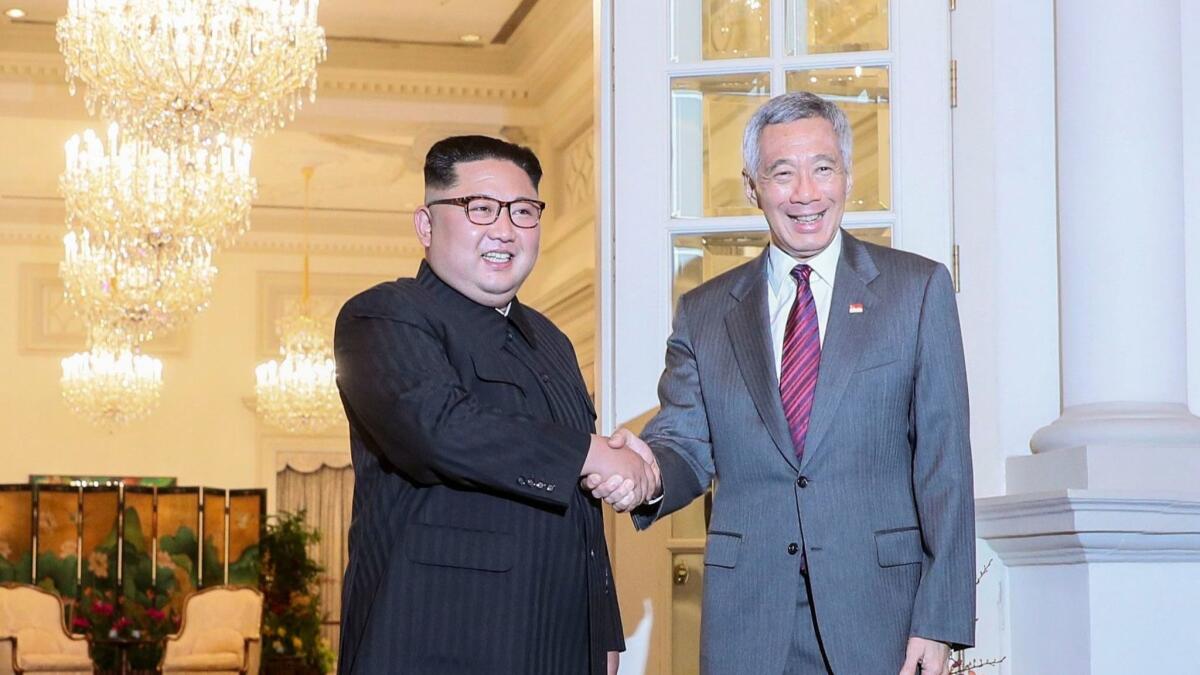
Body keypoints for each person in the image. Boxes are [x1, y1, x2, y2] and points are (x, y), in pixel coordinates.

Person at [588, 92, 976, 674]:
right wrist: (645, 475)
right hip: (750, 617)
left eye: (822, 168)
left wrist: (940, 620)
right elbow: (687, 446)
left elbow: (945, 465)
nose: (804, 193)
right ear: (753, 187)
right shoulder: (705, 311)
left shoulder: (916, 292)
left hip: (883, 617)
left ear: (846, 176)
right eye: (781, 173)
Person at [334, 135, 654, 674]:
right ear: (426, 224)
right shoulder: (384, 316)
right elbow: (439, 430)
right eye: (480, 209)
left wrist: (604, 632)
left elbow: (582, 514)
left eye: (524, 212)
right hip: (435, 643)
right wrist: (591, 455)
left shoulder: (551, 340)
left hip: (558, 646)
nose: (505, 229)